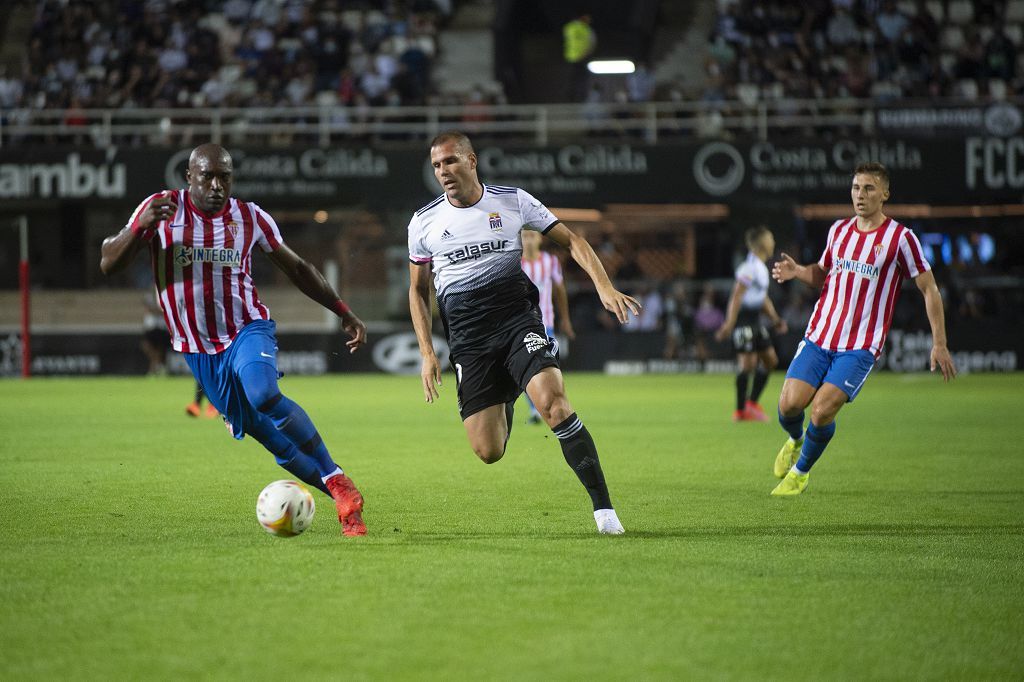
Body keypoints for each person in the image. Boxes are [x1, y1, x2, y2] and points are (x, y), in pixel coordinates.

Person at [99, 143, 369, 536]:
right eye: (206, 176)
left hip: (247, 328)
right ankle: (341, 494)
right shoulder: (160, 209)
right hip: (199, 351)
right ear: (189, 177)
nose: (216, 185)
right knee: (271, 439)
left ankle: (337, 481)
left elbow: (299, 268)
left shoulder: (249, 217)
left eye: (224, 176)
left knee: (263, 393)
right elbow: (109, 262)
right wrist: (139, 229)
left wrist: (343, 311)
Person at [408, 131, 640, 534]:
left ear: (471, 160)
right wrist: (428, 352)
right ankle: (510, 391)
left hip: (518, 322)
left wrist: (604, 285)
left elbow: (574, 240)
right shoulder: (424, 222)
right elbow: (417, 289)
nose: (443, 171)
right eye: (437, 165)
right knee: (488, 451)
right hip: (469, 340)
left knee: (554, 404)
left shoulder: (513, 201)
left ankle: (604, 511)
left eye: (450, 161)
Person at [769, 162, 956, 496]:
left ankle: (800, 473)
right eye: (856, 187)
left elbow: (930, 289)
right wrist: (799, 271)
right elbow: (824, 273)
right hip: (819, 335)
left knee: (823, 409)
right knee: (788, 406)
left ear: (885, 194)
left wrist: (939, 343)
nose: (860, 194)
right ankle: (796, 440)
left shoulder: (901, 239)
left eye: (869, 188)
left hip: (860, 346)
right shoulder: (839, 231)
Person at [715, 226, 788, 422]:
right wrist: (729, 324)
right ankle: (740, 411)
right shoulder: (748, 267)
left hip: (755, 320)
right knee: (747, 365)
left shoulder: (761, 268)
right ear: (763, 243)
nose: (773, 242)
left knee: (771, 360)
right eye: (770, 238)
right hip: (744, 320)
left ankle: (751, 404)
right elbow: (736, 296)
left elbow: (762, 299)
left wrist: (775, 319)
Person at [520, 229, 575, 424]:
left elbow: (560, 290)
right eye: (524, 236)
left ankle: (552, 405)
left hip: (546, 323)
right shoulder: (515, 264)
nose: (528, 240)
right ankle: (536, 410)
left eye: (531, 236)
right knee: (529, 369)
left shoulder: (550, 262)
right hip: (522, 325)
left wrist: (566, 319)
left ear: (539, 238)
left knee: (548, 368)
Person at [563, 13, 596, 102]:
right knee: (581, 79)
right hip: (581, 57)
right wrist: (585, 53)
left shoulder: (569, 27)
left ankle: (572, 98)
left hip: (572, 57)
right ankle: (579, 97)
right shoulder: (586, 29)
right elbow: (591, 44)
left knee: (573, 79)